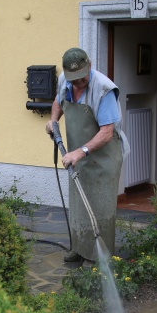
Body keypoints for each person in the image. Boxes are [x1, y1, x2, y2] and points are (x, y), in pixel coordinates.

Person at [45, 47, 129, 263]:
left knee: (100, 205)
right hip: (78, 156)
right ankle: (79, 247)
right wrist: (53, 121)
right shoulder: (66, 80)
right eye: (74, 80)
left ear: (89, 66)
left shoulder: (104, 90)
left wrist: (80, 152)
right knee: (78, 203)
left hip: (104, 158)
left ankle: (100, 255)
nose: (77, 83)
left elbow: (107, 133)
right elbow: (58, 102)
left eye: (81, 79)